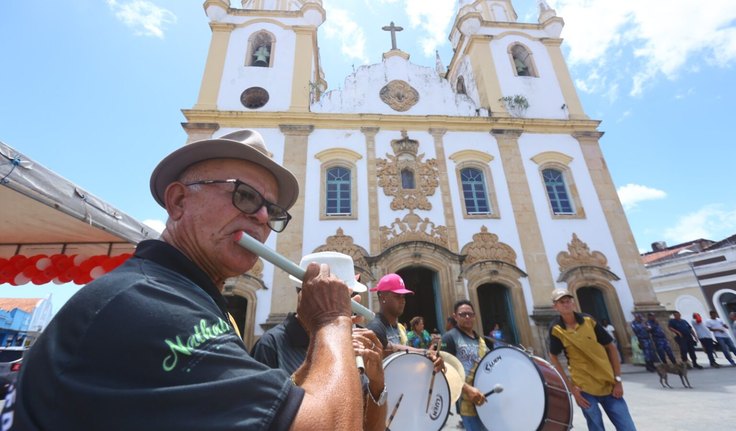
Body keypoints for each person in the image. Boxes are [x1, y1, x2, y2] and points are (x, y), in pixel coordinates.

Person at [3, 129, 363, 430]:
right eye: (245, 196)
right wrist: (332, 321)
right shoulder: (149, 304)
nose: (263, 219)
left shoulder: (184, 296)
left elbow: (271, 407)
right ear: (177, 201)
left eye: (274, 212)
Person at [252, 257, 386, 431]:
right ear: (306, 295)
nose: (349, 308)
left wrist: (377, 386)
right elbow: (265, 419)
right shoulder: (271, 345)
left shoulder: (351, 342)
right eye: (344, 299)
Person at [548, 289, 636, 431]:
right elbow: (553, 356)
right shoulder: (556, 329)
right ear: (555, 307)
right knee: (595, 428)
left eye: (568, 301)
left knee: (627, 427)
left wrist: (618, 380)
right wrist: (571, 389)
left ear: (573, 303)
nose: (566, 304)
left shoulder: (589, 321)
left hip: (609, 384)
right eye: (561, 302)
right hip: (584, 388)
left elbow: (611, 347)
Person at [365, 273, 442, 368]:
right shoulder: (375, 328)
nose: (403, 301)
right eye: (397, 296)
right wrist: (426, 353)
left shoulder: (399, 328)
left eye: (403, 296)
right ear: (383, 297)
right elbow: (387, 349)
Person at [442, 300, 490, 431]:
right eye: (463, 314)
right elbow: (447, 370)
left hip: (486, 395)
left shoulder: (480, 339)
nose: (467, 317)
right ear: (455, 316)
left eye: (470, 314)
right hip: (467, 399)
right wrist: (468, 390)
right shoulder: (449, 338)